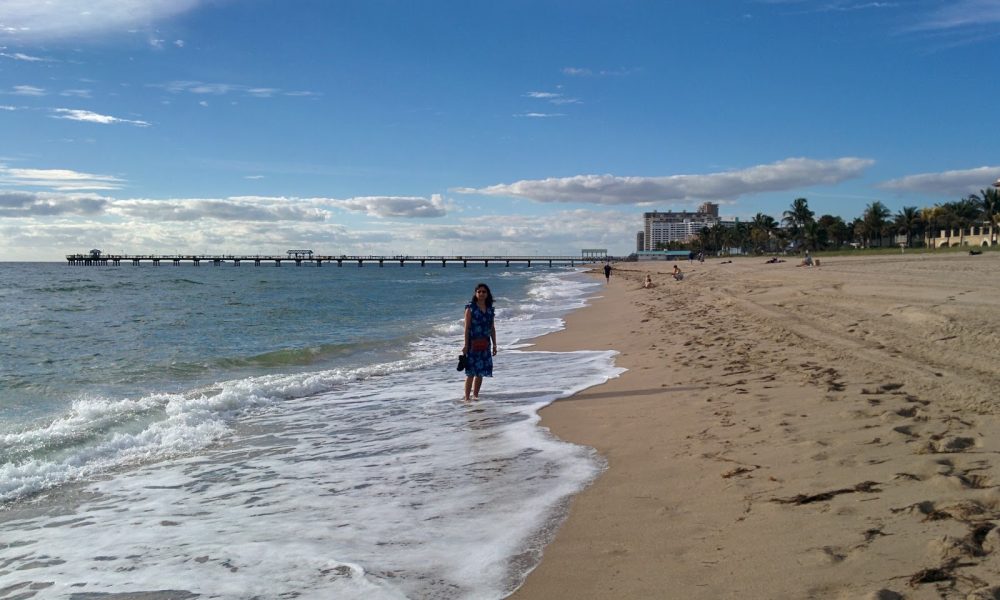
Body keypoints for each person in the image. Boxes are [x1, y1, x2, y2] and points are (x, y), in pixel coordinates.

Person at [462, 283, 497, 401]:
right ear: (475, 293)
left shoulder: (490, 310)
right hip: (472, 344)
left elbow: (492, 328)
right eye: (479, 291)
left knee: (480, 372)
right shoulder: (470, 308)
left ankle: (475, 396)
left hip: (485, 344)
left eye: (484, 292)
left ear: (487, 294)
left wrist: (495, 344)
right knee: (471, 372)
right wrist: (466, 345)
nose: (481, 293)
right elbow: (466, 328)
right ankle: (467, 398)